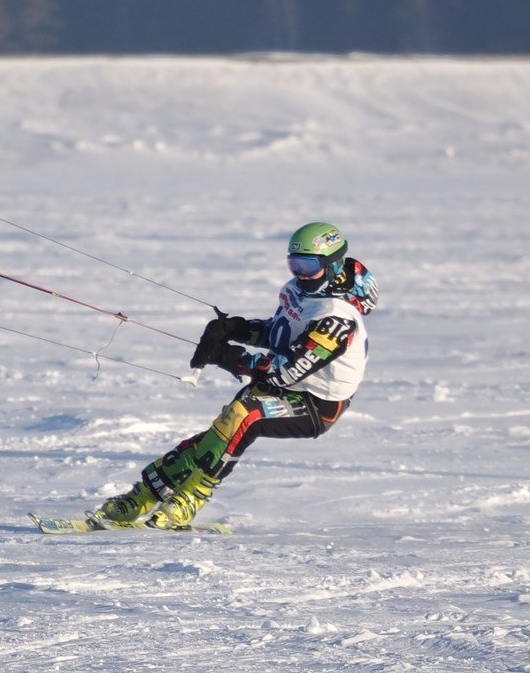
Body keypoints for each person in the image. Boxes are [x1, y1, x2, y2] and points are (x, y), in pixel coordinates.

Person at [83, 221, 376, 531]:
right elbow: (279, 334)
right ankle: (142, 496)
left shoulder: (337, 318)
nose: (300, 274)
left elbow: (287, 369)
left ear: (332, 266)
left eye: (309, 266)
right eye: (295, 264)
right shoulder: (300, 292)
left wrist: (227, 357)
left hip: (317, 403)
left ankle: (191, 499)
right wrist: (234, 329)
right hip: (281, 386)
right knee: (216, 438)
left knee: (242, 416)